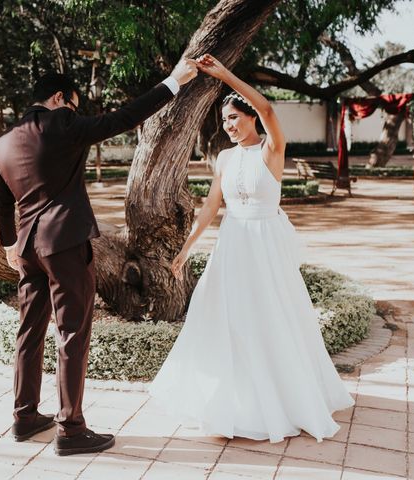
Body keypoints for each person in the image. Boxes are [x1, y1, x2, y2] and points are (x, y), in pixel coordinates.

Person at [0, 61, 197, 456]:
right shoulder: (63, 124)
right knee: (72, 334)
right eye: (73, 104)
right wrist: (175, 81)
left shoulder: (1, 143)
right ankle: (71, 429)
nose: (75, 111)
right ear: (59, 99)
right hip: (64, 244)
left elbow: (2, 203)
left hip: (27, 249)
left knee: (28, 333)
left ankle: (24, 416)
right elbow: (125, 116)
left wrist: (9, 246)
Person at [149, 54, 355, 443]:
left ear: (251, 118)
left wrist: (224, 75)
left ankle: (282, 399)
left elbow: (267, 106)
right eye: (224, 120)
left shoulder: (271, 149)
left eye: (234, 118)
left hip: (265, 246)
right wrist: (186, 249)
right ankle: (235, 400)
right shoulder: (225, 158)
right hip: (233, 246)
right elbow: (211, 207)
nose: (228, 126)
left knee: (271, 317)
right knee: (227, 320)